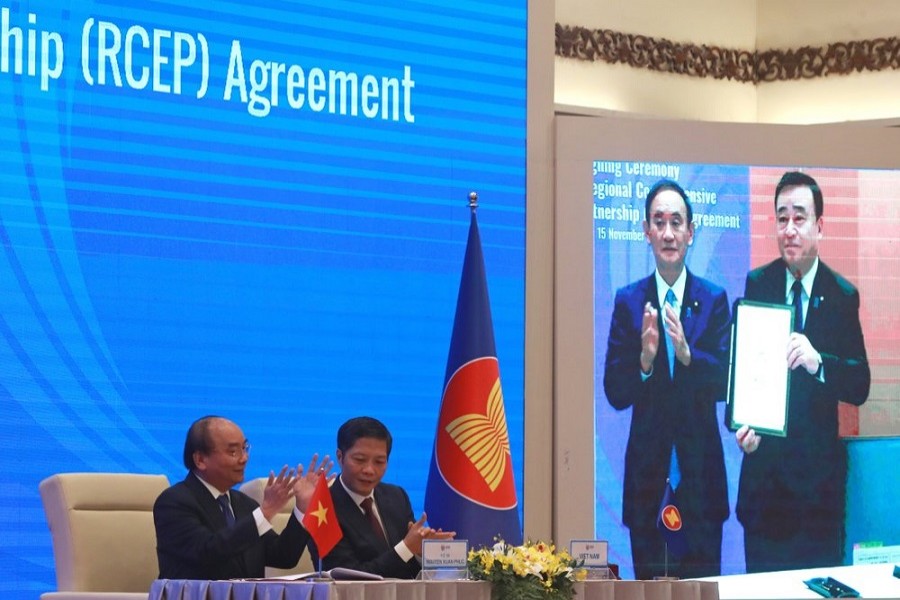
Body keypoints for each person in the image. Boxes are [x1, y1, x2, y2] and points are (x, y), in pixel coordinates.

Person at [735, 171, 870, 573]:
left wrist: (818, 362)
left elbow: (860, 383)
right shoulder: (757, 283)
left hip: (817, 497)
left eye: (799, 217)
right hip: (764, 490)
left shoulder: (843, 294)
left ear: (820, 226)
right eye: (781, 218)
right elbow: (743, 370)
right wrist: (742, 428)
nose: (789, 229)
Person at [603, 179, 731, 580]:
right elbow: (615, 391)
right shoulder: (629, 301)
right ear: (646, 231)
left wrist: (688, 357)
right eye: (659, 222)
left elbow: (726, 381)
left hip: (701, 485)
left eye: (677, 222)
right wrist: (644, 360)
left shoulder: (713, 299)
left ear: (691, 232)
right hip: (647, 485)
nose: (669, 233)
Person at [153, 415, 331, 579]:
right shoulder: (174, 502)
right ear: (200, 459)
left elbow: (283, 557)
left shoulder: (244, 504)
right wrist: (266, 512)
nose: (244, 458)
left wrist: (302, 508)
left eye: (244, 448)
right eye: (233, 452)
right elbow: (208, 552)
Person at [318, 416, 455, 578]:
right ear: (340, 457)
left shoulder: (397, 497)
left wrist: (421, 551)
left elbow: (408, 568)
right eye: (360, 460)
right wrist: (407, 547)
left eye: (379, 461)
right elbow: (345, 576)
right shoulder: (322, 508)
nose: (369, 470)